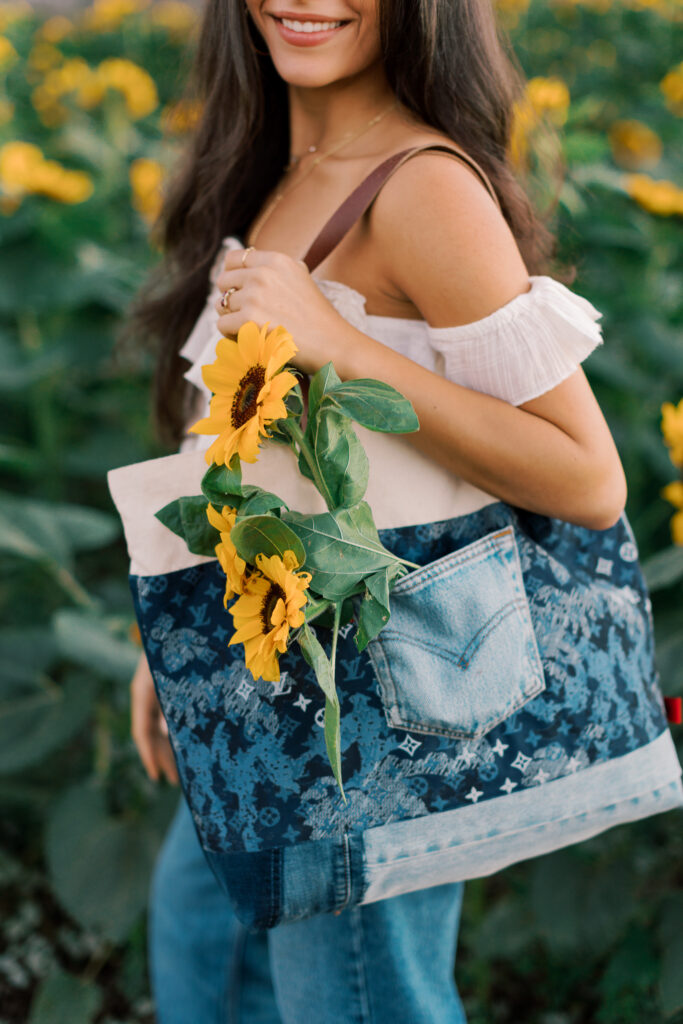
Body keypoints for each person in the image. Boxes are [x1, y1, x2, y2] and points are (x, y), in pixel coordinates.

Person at [123, 1, 628, 1020]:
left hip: (367, 707)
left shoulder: (420, 189)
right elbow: (236, 438)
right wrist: (171, 644)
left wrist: (344, 347)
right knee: (199, 937)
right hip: (261, 669)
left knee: (354, 996)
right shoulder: (275, 163)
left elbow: (586, 476)